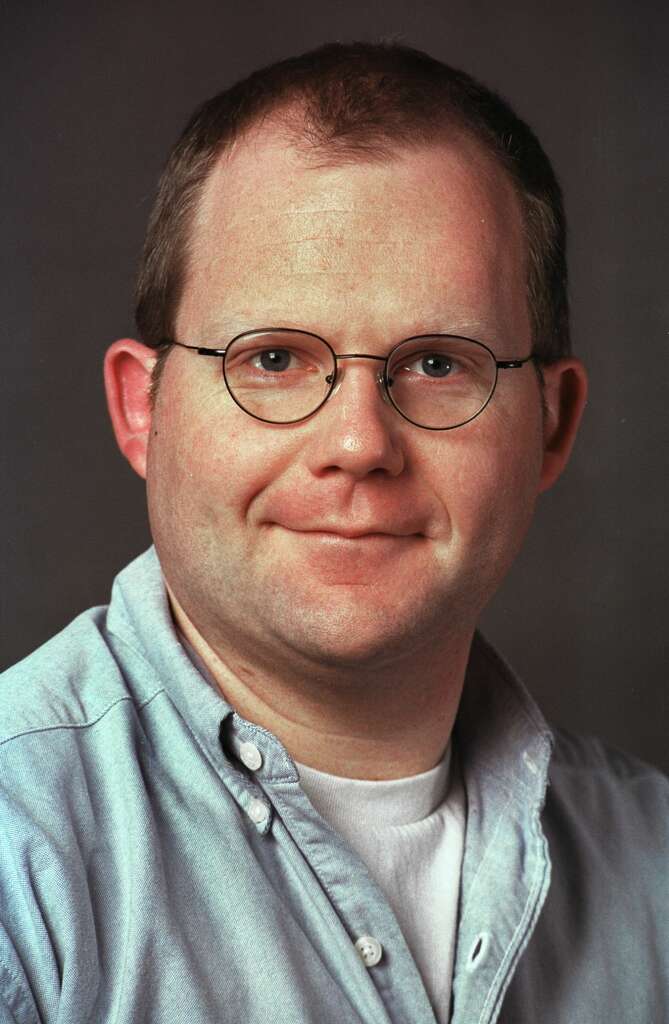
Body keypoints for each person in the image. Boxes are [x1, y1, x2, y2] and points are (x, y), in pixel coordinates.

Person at [0, 41, 666, 1024]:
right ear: (143, 410)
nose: (358, 443)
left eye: (439, 363)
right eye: (273, 357)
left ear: (553, 425)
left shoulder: (652, 867)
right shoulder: (17, 861)